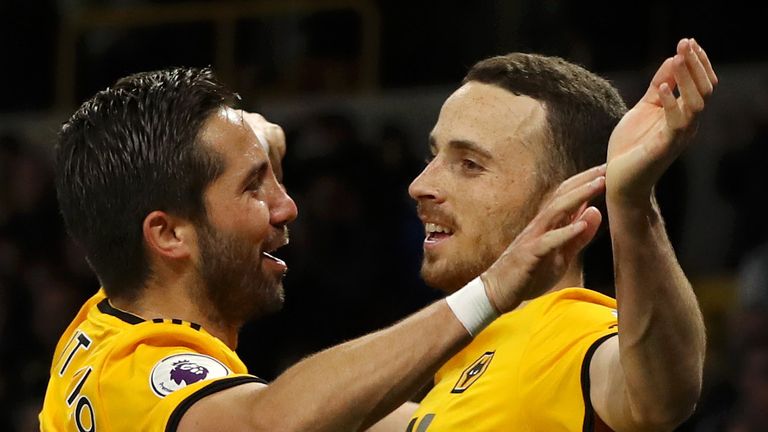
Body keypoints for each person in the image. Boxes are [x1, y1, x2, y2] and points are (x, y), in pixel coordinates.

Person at [39, 67, 608, 431]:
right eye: (253, 186)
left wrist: (256, 139)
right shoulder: (136, 375)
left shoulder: (109, 318)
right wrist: (490, 290)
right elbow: (273, 424)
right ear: (167, 235)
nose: (288, 207)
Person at [370, 38, 717, 431]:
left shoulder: (567, 330)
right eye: (433, 157)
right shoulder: (464, 365)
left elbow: (660, 398)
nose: (420, 185)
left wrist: (632, 201)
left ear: (568, 199)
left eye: (469, 164)